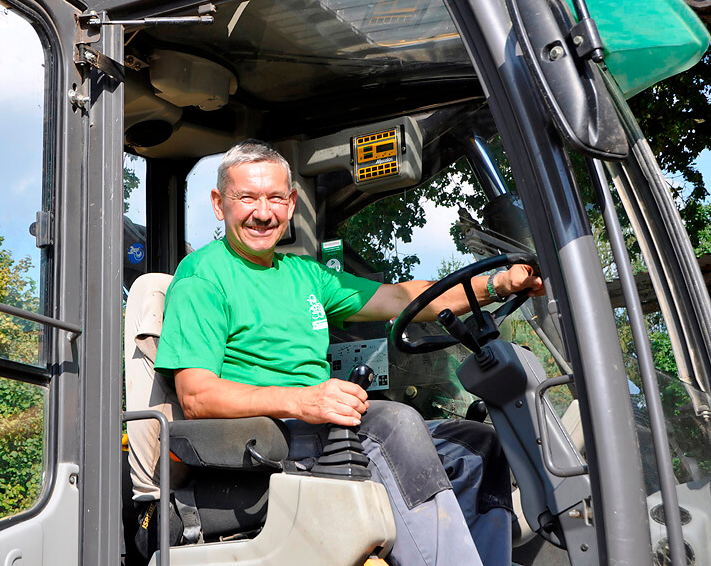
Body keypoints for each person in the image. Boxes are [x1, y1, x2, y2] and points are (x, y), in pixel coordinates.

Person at [150, 140, 544, 566]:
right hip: (266, 440)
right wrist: (303, 400)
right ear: (218, 202)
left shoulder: (304, 274)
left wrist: (496, 285)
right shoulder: (203, 277)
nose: (262, 213)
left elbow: (398, 298)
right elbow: (197, 395)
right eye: (246, 197)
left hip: (323, 429)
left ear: (291, 202)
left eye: (275, 198)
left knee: (478, 444)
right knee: (393, 422)